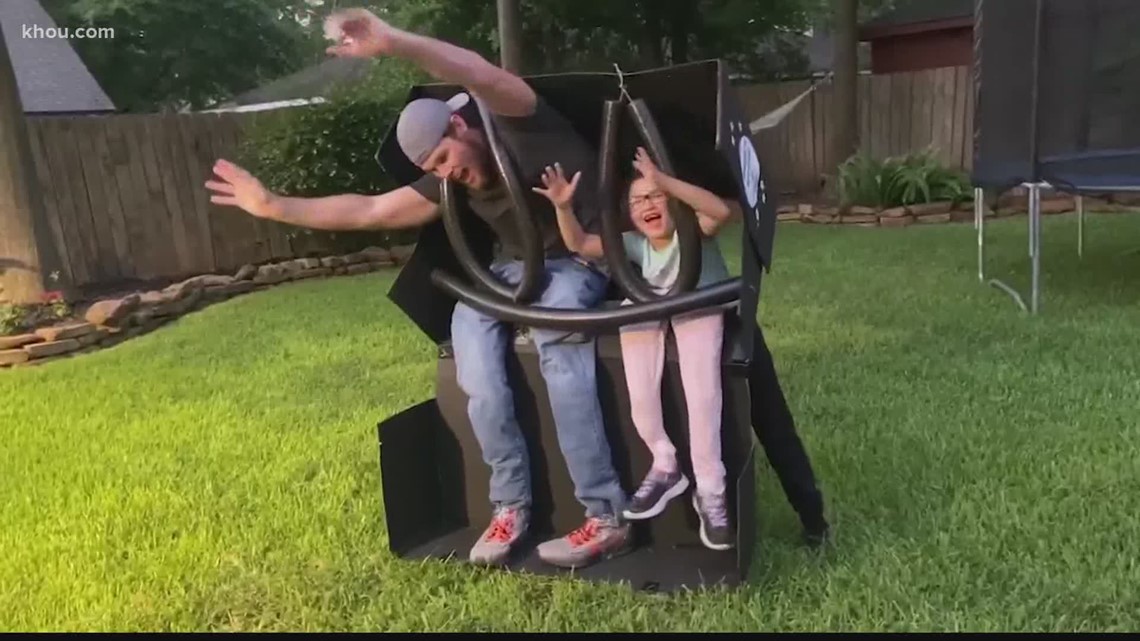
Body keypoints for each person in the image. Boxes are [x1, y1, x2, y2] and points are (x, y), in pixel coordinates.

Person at [204, 7, 633, 570]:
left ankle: (605, 517)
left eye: (447, 158)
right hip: (512, 271)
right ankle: (511, 506)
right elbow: (371, 209)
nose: (448, 173)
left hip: (584, 262)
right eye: (435, 168)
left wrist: (395, 42)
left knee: (558, 343)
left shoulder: (522, 119)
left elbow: (478, 72)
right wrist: (274, 205)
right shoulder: (446, 179)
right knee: (472, 348)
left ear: (460, 127)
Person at [532, 148, 738, 551]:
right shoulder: (634, 244)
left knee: (702, 395)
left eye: (655, 195)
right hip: (654, 311)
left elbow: (721, 212)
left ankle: (711, 489)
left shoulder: (692, 229)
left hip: (699, 308)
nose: (647, 204)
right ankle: (664, 462)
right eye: (638, 200)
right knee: (636, 344)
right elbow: (579, 243)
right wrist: (563, 207)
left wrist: (665, 181)